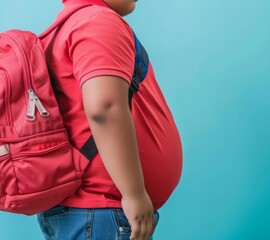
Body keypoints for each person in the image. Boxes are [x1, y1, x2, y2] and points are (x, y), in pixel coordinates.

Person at [37, 0, 183, 239]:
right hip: (100, 211)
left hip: (89, 212)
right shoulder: (97, 21)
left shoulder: (65, 28)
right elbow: (104, 107)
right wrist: (134, 194)